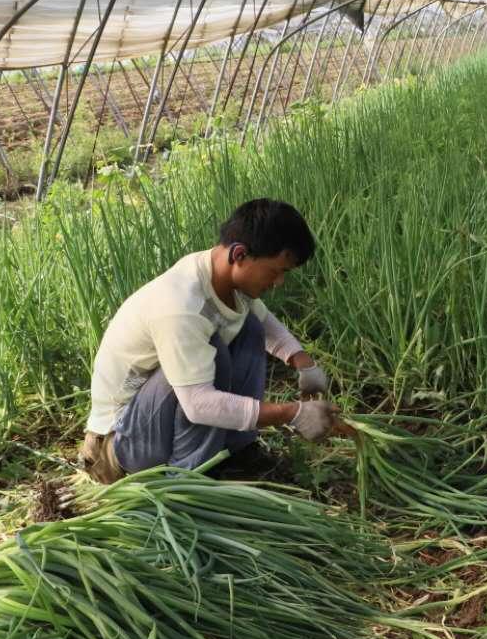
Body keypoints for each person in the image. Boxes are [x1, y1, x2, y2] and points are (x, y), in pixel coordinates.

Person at [78, 198, 343, 482]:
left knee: (249, 327)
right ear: (240, 254)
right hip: (121, 439)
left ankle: (238, 450)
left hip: (154, 415)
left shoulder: (219, 274)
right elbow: (199, 403)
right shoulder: (181, 306)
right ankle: (185, 477)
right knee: (212, 352)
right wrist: (291, 413)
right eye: (276, 270)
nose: (279, 282)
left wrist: (302, 361)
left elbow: (263, 321)